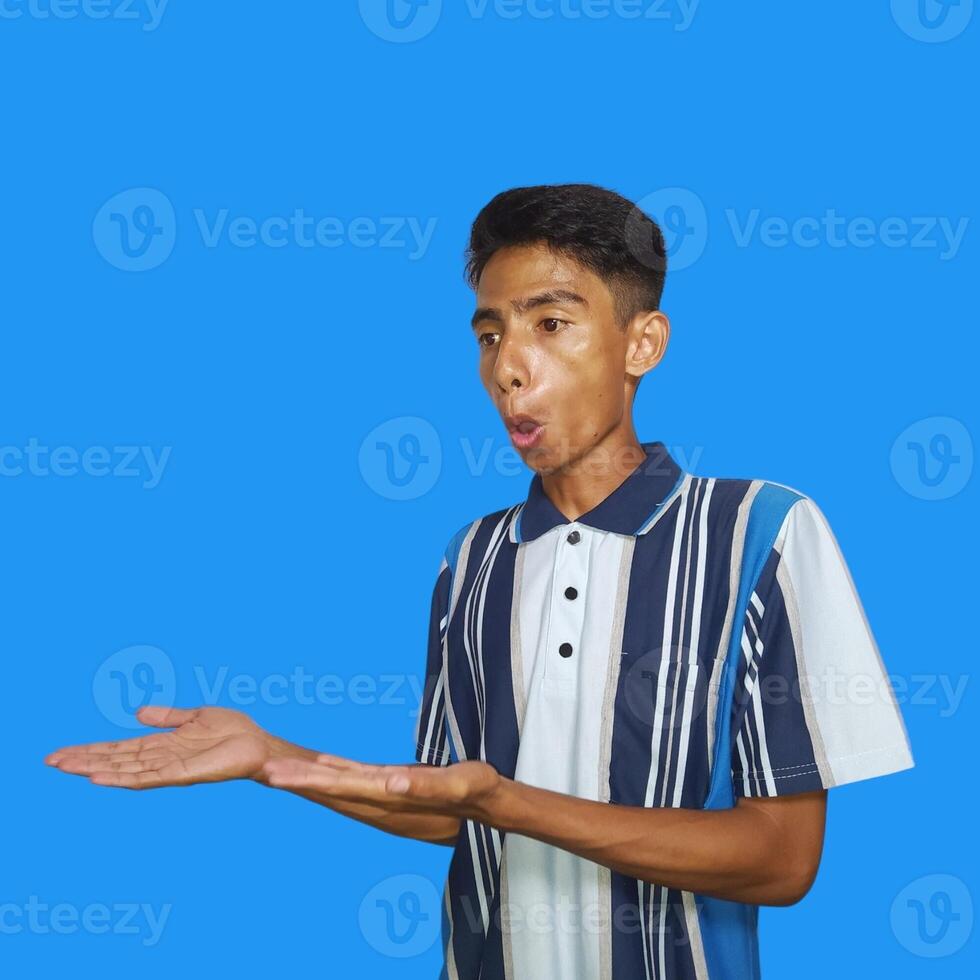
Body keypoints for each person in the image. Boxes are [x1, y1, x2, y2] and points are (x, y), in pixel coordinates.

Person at [45, 184, 915, 979]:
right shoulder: (473, 557)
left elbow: (781, 858)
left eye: (551, 323)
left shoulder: (760, 532)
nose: (508, 366)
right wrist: (278, 759)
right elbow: (446, 807)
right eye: (491, 332)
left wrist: (512, 803)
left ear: (641, 343)